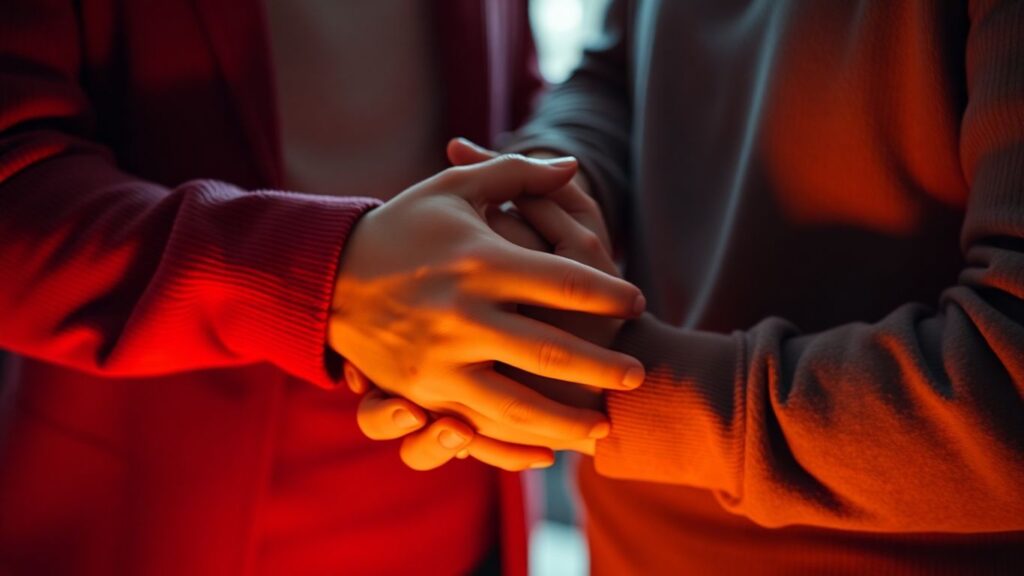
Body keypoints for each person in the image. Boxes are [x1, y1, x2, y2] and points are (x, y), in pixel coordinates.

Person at [358, 1, 1024, 573]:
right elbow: (618, 70)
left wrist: (603, 383)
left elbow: (1007, 386)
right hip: (629, 542)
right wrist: (531, 206)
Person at [0, 1, 647, 574]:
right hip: (161, 517)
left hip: (462, 510)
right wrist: (326, 274)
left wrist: (534, 215)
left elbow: (507, 96)